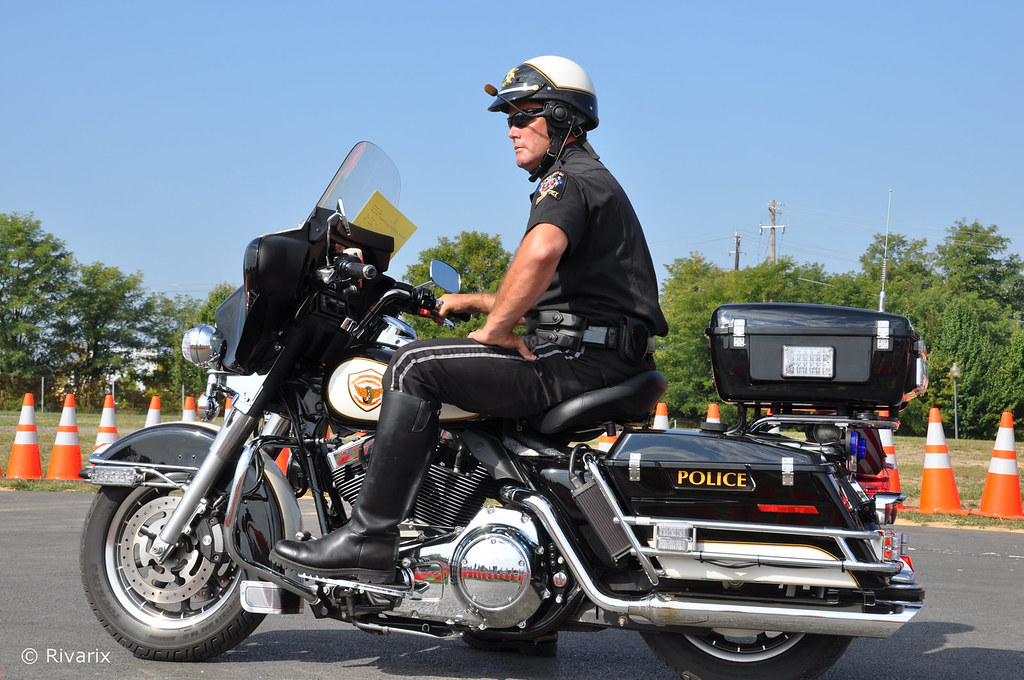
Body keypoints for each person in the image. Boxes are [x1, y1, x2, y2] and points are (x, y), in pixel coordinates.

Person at [271, 55, 667, 590]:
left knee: (412, 366)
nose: (511, 129)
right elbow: (570, 292)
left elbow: (542, 250)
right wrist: (479, 301)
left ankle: (369, 538)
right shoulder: (589, 181)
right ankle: (524, 607)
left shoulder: (568, 182)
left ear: (563, 117)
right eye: (507, 118)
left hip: (577, 359)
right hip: (597, 352)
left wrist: (498, 328)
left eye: (524, 115)